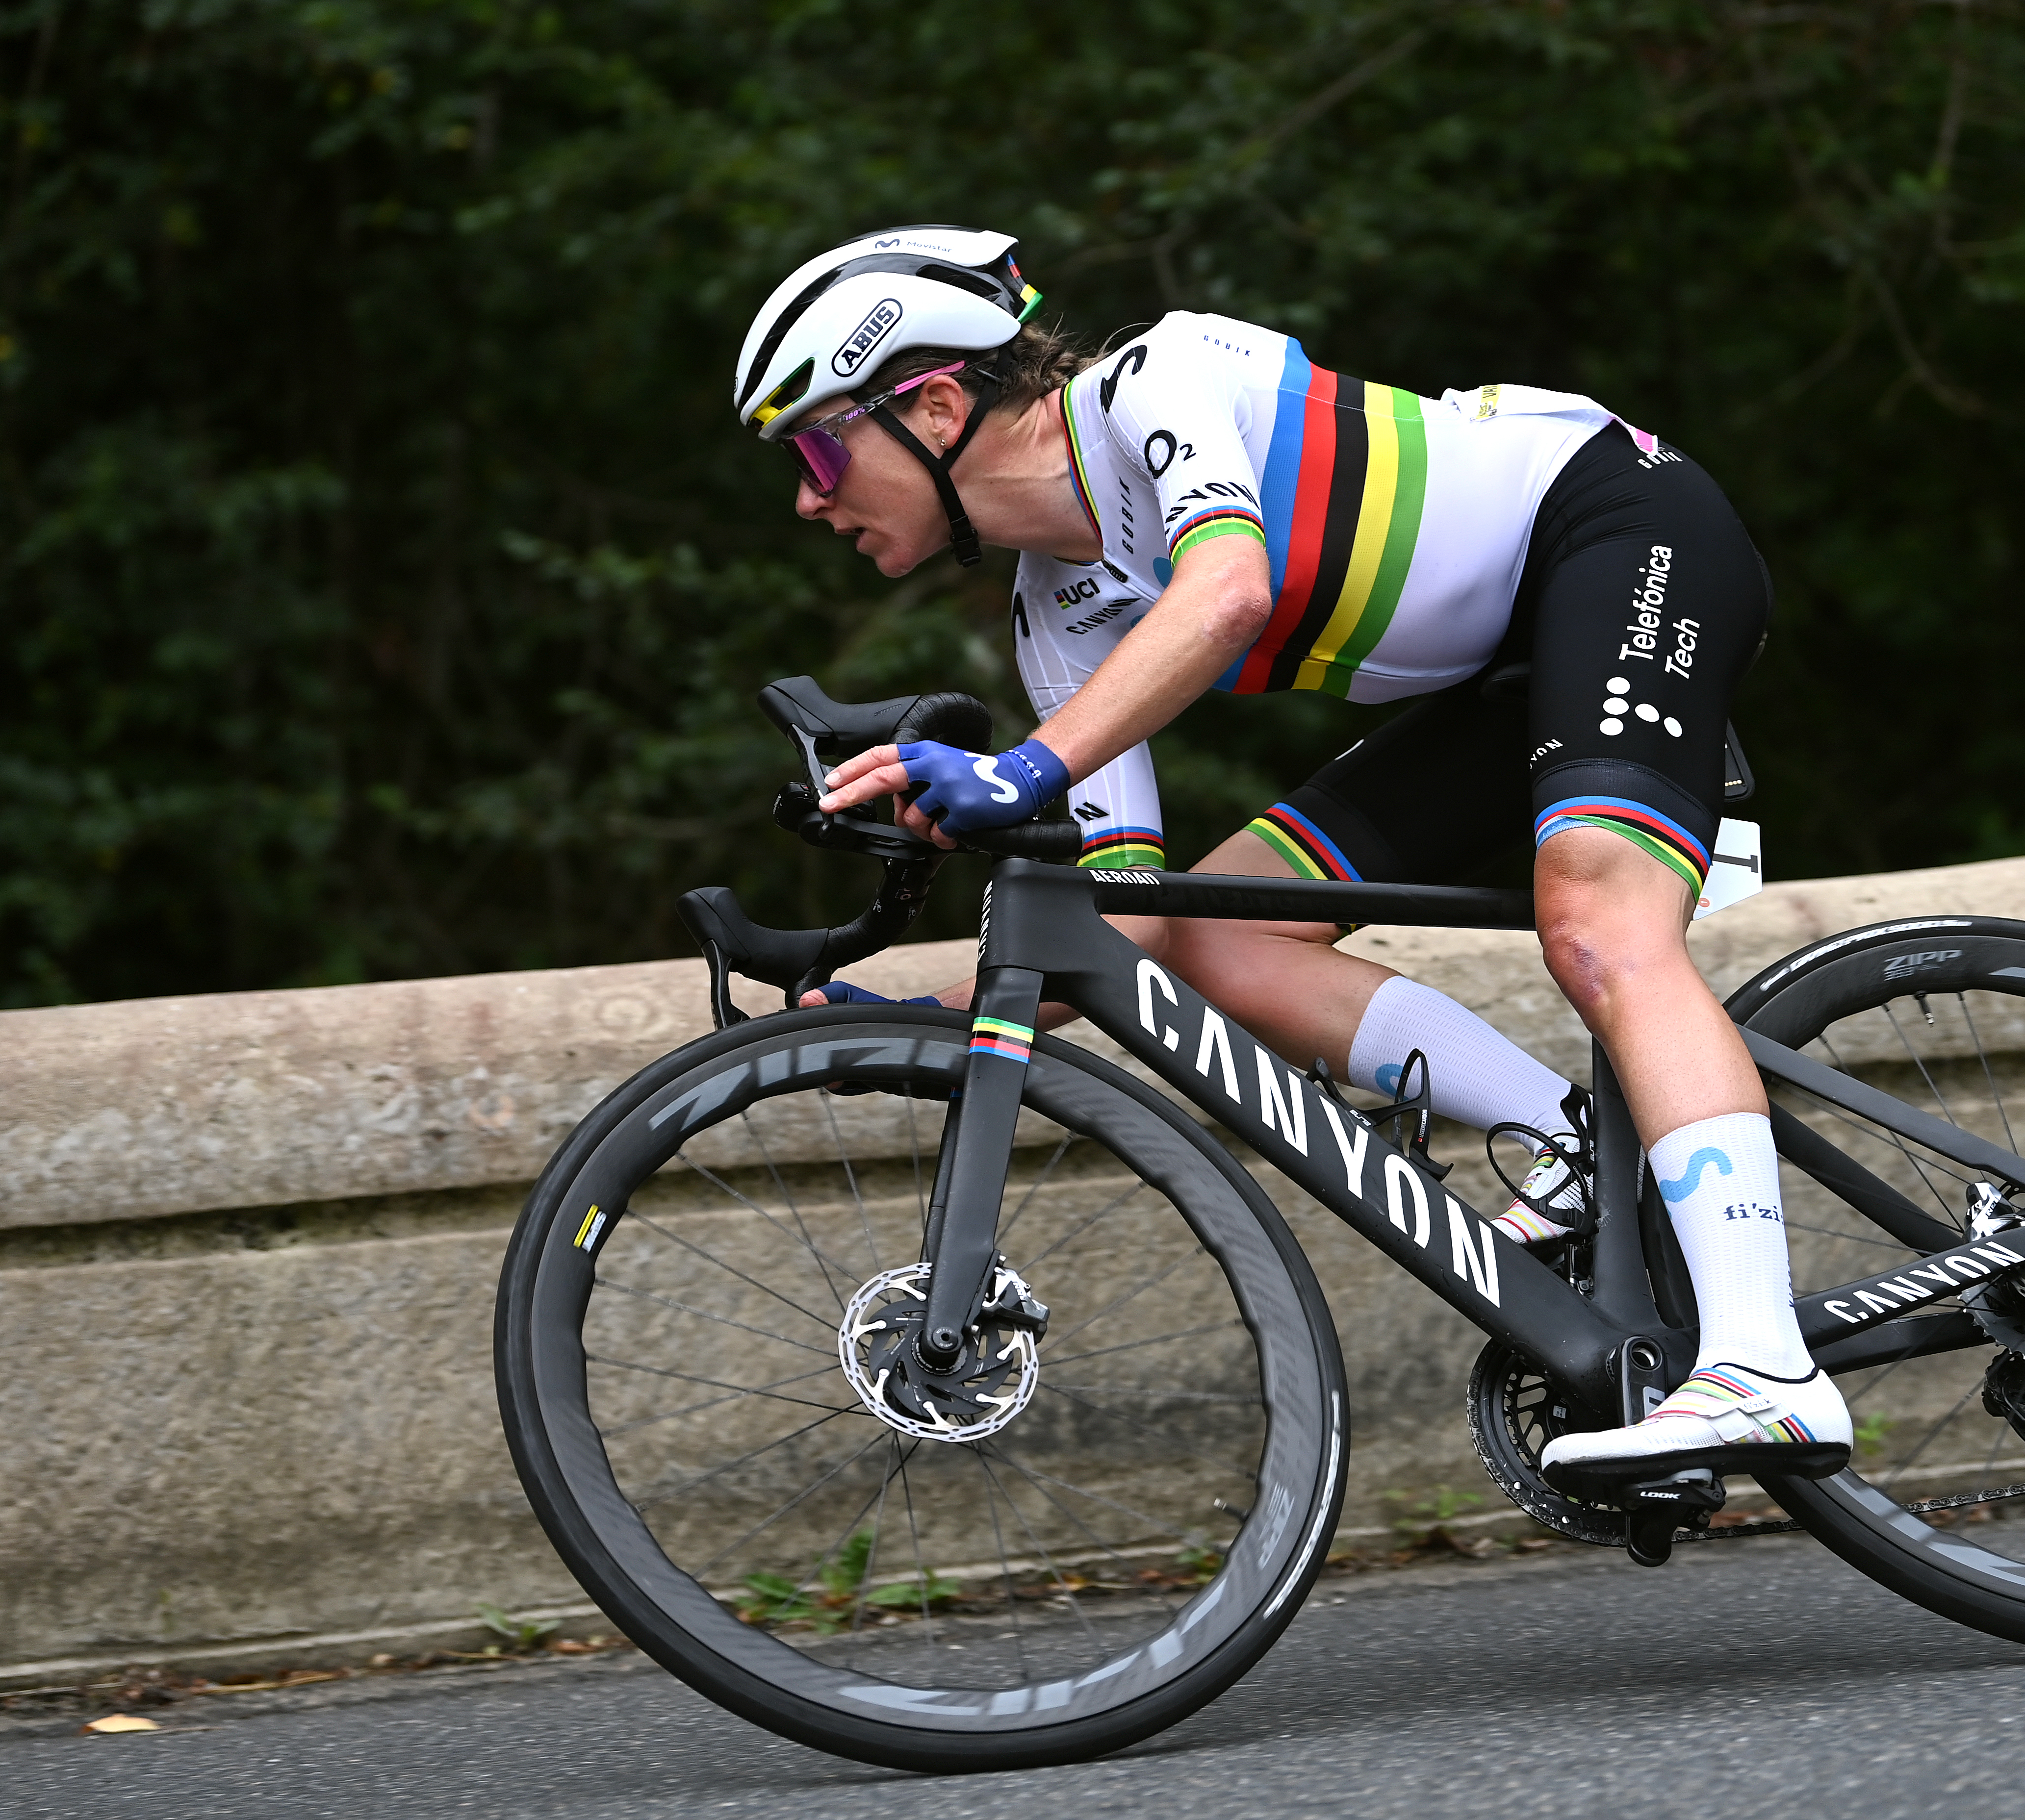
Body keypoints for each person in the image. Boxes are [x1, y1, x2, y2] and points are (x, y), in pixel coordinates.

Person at [730, 225, 1847, 1486]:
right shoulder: (1062, 609)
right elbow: (1128, 919)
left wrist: (1020, 773)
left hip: (1622, 528)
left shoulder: (1160, 381)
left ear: (933, 405)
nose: (808, 498)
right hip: (1513, 666)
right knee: (1224, 934)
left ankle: (1764, 1363)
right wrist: (914, 1024)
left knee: (1597, 921)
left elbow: (1227, 595)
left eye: (818, 447)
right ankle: (1582, 1139)